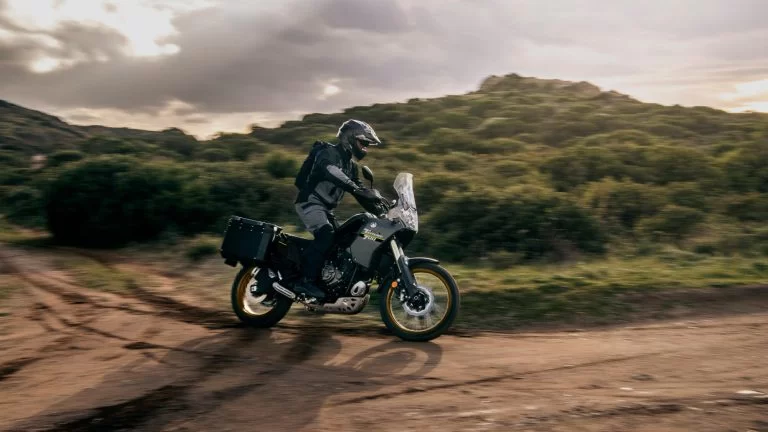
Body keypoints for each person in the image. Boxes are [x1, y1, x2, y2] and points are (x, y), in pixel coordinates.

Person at [293, 119, 383, 300]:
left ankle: (327, 282)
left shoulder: (351, 166)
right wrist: (358, 189)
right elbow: (333, 173)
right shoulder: (327, 153)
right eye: (363, 143)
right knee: (326, 234)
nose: (365, 147)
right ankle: (305, 282)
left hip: (327, 209)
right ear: (349, 138)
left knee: (344, 241)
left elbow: (359, 192)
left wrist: (382, 210)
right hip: (310, 202)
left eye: (367, 144)